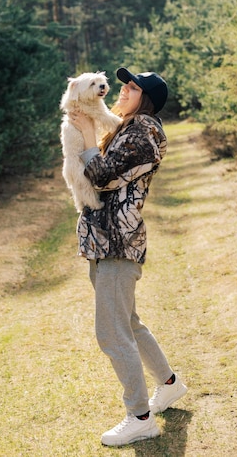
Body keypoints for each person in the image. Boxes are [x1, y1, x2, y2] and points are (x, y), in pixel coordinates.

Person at [69, 67, 187, 447]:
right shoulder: (126, 126)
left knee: (112, 332)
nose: (121, 90)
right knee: (129, 323)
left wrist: (88, 136)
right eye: (122, 84)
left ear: (146, 98)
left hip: (118, 243)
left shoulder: (144, 132)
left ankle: (140, 418)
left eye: (131, 87)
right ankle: (168, 385)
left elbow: (101, 177)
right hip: (104, 242)